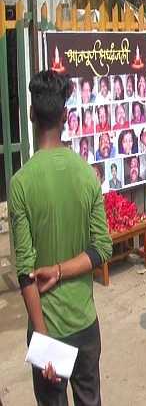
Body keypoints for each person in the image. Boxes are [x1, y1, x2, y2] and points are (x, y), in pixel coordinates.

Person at [9, 70, 112, 405]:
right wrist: (62, 270)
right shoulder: (86, 174)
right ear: (66, 117)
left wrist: (41, 338)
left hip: (47, 326)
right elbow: (101, 249)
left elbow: (25, 272)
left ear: (31, 115)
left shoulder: (21, 184)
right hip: (85, 325)